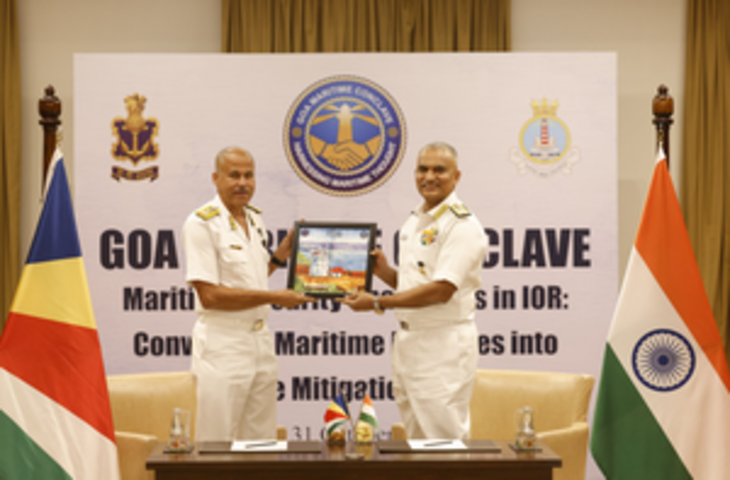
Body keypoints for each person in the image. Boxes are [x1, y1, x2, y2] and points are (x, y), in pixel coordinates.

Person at [339, 141, 487, 440]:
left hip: (442, 342)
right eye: (422, 169)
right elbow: (416, 285)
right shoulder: (415, 220)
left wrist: (377, 302)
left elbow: (441, 290)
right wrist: (384, 272)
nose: (429, 177)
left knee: (442, 438)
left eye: (439, 170)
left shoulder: (461, 225)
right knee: (416, 439)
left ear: (456, 176)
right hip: (409, 340)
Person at [182, 146, 313, 441]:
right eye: (234, 175)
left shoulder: (254, 219)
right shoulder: (201, 224)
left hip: (260, 341)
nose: (243, 183)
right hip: (223, 343)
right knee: (216, 441)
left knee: (260, 441)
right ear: (216, 178)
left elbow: (251, 278)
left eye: (249, 175)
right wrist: (274, 297)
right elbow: (210, 296)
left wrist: (280, 255)